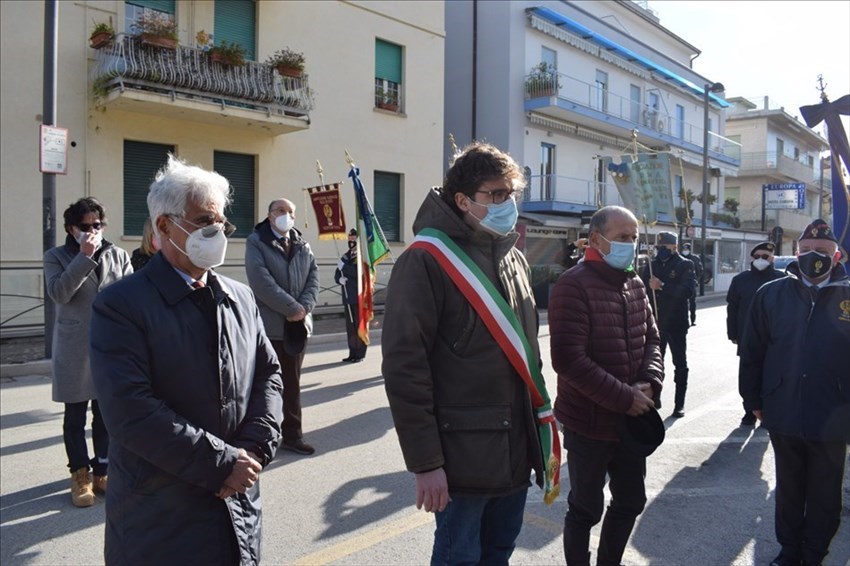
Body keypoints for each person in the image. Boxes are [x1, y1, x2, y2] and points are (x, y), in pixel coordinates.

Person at [89, 155, 283, 564]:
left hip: (237, 510)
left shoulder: (239, 296)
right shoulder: (120, 305)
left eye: (221, 223)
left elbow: (268, 374)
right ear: (164, 226)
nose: (217, 232)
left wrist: (253, 451)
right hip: (159, 520)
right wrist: (221, 463)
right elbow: (129, 410)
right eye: (203, 221)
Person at [382, 142, 555, 565]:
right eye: (495, 195)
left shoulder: (514, 258)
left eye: (511, 194)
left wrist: (544, 425)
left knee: (498, 554)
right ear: (462, 200)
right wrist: (425, 464)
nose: (507, 204)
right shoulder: (424, 261)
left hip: (515, 447)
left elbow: (527, 352)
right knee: (459, 556)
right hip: (461, 459)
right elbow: (406, 371)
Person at [549, 205, 663, 566]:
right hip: (589, 423)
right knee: (585, 508)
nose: (630, 245)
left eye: (634, 238)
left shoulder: (635, 282)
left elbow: (652, 341)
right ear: (596, 240)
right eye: (622, 238)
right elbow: (568, 359)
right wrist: (622, 397)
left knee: (630, 501)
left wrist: (650, 381)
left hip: (630, 420)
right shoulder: (573, 285)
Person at [739, 219, 850, 566]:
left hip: (834, 414)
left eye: (822, 251)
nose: (813, 256)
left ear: (836, 256)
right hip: (782, 407)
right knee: (788, 488)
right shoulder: (771, 293)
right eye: (806, 250)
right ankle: (789, 551)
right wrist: (753, 399)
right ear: (796, 252)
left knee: (825, 492)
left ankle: (814, 553)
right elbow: (753, 351)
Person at [43, 197, 132, 507]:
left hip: (109, 346)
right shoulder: (56, 256)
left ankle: (103, 470)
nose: (93, 231)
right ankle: (80, 474)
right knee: (75, 415)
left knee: (105, 414)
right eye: (85, 226)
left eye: (97, 225)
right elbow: (59, 293)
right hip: (75, 345)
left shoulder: (118, 254)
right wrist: (84, 257)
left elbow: (129, 297)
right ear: (71, 228)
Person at [246, 197, 319, 456]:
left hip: (298, 326)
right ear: (269, 215)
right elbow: (261, 281)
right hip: (272, 326)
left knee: (293, 382)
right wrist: (292, 308)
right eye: (280, 210)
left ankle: (292, 435)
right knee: (268, 384)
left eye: (290, 211)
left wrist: (303, 308)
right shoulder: (257, 242)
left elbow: (314, 277)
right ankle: (263, 435)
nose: (285, 215)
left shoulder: (302, 243)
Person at [725, 241, 785, 427]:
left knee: (772, 376)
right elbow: (732, 308)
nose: (761, 259)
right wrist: (733, 333)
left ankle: (769, 410)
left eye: (765, 256)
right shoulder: (741, 280)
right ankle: (749, 411)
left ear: (772, 258)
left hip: (774, 339)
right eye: (757, 256)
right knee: (749, 375)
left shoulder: (782, 280)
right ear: (752, 258)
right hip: (747, 337)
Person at [640, 231, 696, 417]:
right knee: (656, 363)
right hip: (656, 321)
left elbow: (687, 291)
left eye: (666, 247)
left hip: (676, 322)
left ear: (675, 247)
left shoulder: (685, 264)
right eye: (659, 247)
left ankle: (679, 403)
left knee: (680, 363)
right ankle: (656, 397)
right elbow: (641, 290)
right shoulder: (651, 265)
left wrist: (662, 285)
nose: (662, 251)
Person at [334, 229, 367, 362]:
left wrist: (344, 268)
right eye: (350, 239)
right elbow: (337, 273)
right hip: (347, 297)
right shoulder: (345, 257)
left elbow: (358, 273)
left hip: (359, 297)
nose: (351, 241)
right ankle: (352, 353)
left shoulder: (361, 257)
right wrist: (339, 280)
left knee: (359, 326)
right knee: (350, 328)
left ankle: (360, 354)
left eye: (354, 239)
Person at [680, 242, 702, 325]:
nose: (685, 251)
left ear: (689, 249)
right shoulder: (679, 258)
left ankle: (692, 320)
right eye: (684, 249)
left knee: (692, 303)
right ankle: (683, 320)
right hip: (681, 285)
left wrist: (696, 280)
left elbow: (700, 270)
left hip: (691, 284)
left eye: (687, 249)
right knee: (682, 303)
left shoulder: (695, 258)